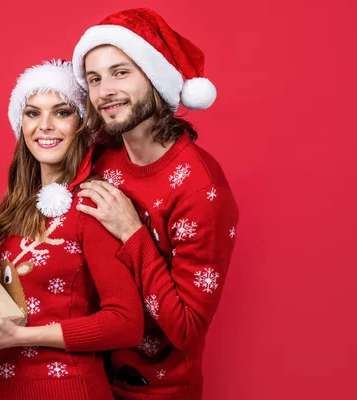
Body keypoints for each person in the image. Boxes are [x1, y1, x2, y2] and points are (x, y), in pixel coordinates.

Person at [0, 60, 144, 400]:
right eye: (32, 113)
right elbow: (2, 303)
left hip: (69, 390)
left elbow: (126, 324)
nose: (45, 126)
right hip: (8, 389)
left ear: (81, 123)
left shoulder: (92, 204)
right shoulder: (13, 211)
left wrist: (21, 338)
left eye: (61, 112)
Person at [71, 8, 240, 400]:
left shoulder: (202, 191)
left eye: (121, 72)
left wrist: (131, 230)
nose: (104, 90)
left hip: (156, 392)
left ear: (155, 78)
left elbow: (185, 328)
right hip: (87, 374)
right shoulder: (101, 154)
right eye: (94, 79)